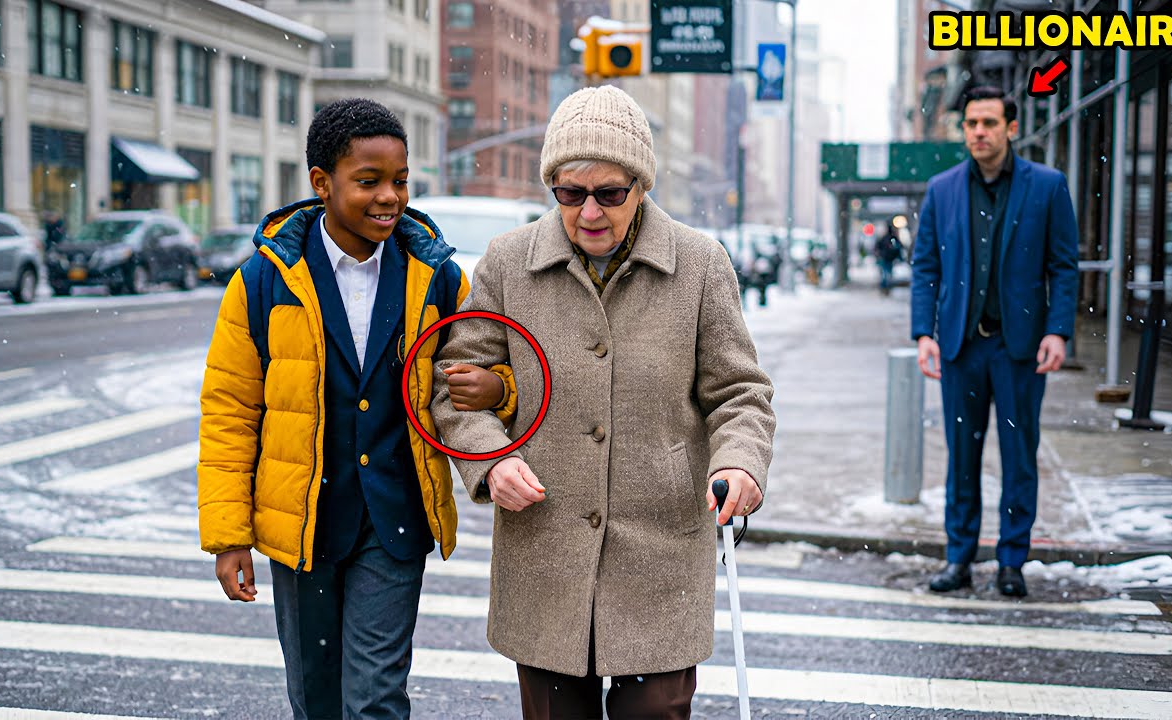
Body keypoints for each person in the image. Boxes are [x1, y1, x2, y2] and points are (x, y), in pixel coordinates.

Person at [430, 85, 777, 719]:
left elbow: (740, 392)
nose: (589, 211)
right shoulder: (508, 263)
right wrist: (488, 460)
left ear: (640, 186)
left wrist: (740, 462)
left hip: (662, 549)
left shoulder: (700, 265)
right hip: (545, 553)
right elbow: (454, 386)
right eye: (570, 192)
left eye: (609, 194)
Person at [197, 98, 513, 719]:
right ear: (322, 183)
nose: (388, 198)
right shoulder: (264, 282)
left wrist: (496, 387)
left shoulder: (440, 279)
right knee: (315, 698)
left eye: (399, 181)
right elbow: (230, 411)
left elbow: (491, 367)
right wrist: (228, 538)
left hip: (394, 521)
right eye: (368, 182)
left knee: (374, 700)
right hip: (302, 523)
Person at [910, 85, 1078, 598]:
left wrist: (1058, 329)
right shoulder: (941, 189)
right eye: (970, 124)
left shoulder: (1047, 186)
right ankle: (958, 558)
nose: (978, 132)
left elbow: (1063, 266)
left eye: (988, 123)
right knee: (962, 456)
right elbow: (926, 267)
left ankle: (1012, 561)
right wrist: (923, 333)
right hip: (961, 348)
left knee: (1018, 456)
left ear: (1011, 127)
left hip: (1019, 348)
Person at [874, 222, 903, 295]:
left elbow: (878, 247)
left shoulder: (885, 238)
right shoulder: (892, 238)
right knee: (888, 274)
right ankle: (886, 287)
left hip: (885, 258)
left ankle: (885, 288)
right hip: (888, 258)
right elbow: (898, 247)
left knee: (885, 274)